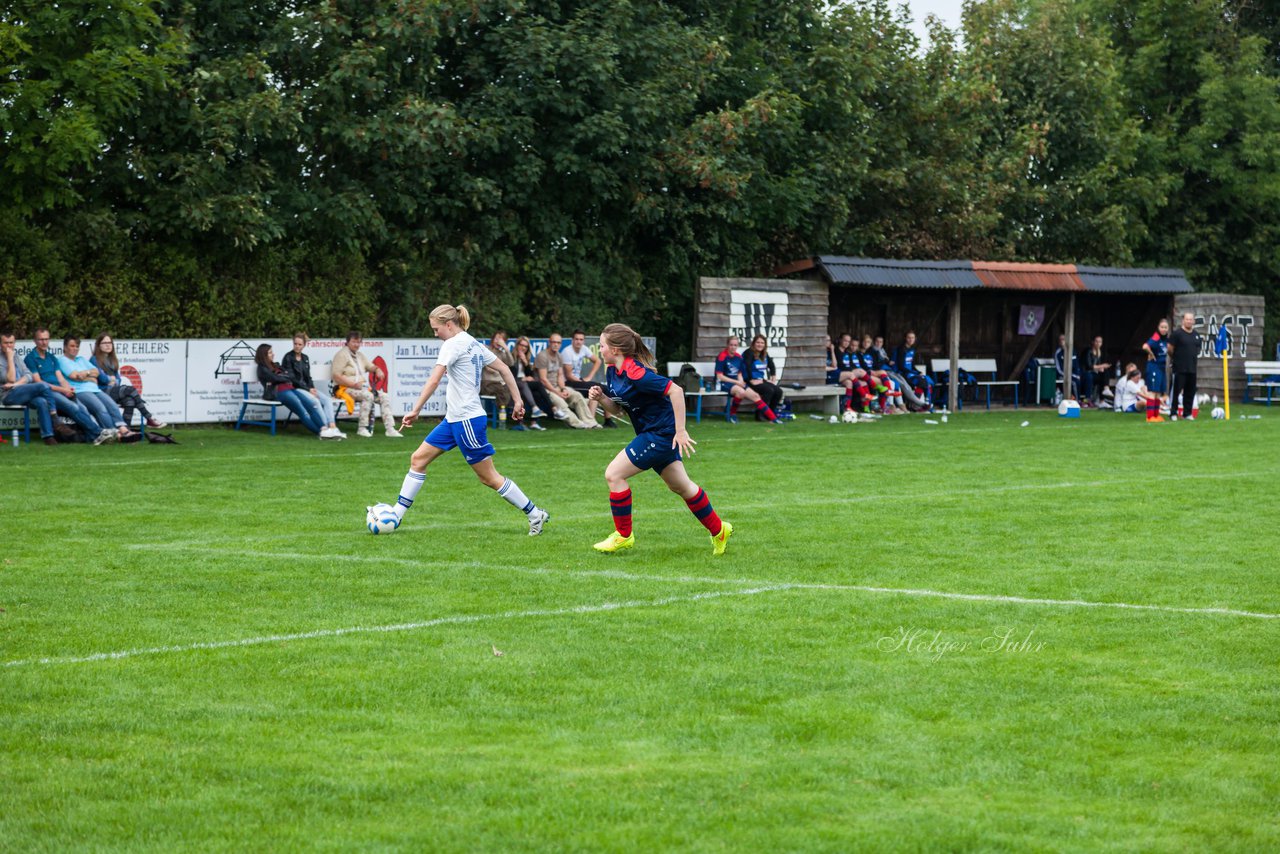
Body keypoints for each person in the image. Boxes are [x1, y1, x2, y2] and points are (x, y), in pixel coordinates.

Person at [390, 304, 549, 535]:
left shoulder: (452, 344)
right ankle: (396, 515)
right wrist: (518, 401)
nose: (435, 335)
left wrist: (415, 410)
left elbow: (434, 380)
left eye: (436, 330)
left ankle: (535, 514)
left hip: (467, 421)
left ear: (448, 324)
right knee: (418, 459)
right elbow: (504, 368)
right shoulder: (472, 342)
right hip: (454, 420)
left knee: (489, 478)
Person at [588, 322, 733, 555]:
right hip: (654, 435)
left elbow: (675, 390)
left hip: (660, 435)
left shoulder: (637, 373)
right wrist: (602, 397)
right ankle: (719, 530)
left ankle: (623, 536)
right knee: (682, 487)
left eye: (602, 345)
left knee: (614, 475)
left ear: (615, 349)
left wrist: (681, 430)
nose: (600, 349)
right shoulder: (613, 371)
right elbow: (618, 410)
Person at [22, 328, 110, 443]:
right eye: (41, 339)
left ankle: (91, 437)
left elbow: (61, 378)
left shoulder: (51, 357)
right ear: (35, 341)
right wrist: (63, 390)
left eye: (46, 339)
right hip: (46, 392)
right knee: (72, 407)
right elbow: (39, 383)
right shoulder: (30, 358)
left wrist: (68, 389)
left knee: (81, 407)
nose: (44, 342)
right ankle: (98, 433)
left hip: (60, 390)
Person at [57, 336, 135, 439]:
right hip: (81, 391)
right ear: (65, 347)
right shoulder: (62, 360)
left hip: (94, 389)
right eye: (72, 346)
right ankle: (114, 434)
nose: (75, 348)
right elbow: (74, 376)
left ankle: (123, 429)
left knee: (112, 406)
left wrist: (86, 374)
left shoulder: (81, 359)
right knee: (101, 409)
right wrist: (90, 377)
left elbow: (96, 372)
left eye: (77, 346)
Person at [331, 331, 401, 438]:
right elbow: (336, 376)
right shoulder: (341, 355)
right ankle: (362, 428)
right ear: (348, 342)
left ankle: (390, 429)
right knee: (368, 396)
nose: (356, 344)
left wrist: (377, 369)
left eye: (359, 342)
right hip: (344, 389)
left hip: (361, 388)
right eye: (354, 342)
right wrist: (353, 384)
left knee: (384, 396)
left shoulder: (359, 356)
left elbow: (370, 366)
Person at [90, 334, 167, 429]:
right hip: (102, 392)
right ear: (99, 345)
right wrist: (110, 379)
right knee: (131, 390)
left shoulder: (112, 359)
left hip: (113, 390)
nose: (108, 345)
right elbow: (102, 378)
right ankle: (149, 417)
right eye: (105, 343)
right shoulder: (94, 360)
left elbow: (118, 378)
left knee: (129, 401)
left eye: (110, 342)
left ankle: (126, 430)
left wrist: (112, 380)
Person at [254, 344, 329, 438]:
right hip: (280, 392)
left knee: (311, 405)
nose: (273, 354)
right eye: (270, 353)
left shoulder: (276, 365)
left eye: (272, 352)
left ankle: (324, 429)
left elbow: (289, 376)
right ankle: (320, 433)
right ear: (263, 355)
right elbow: (275, 378)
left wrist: (306, 388)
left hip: (291, 389)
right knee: (303, 412)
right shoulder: (262, 368)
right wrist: (284, 377)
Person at [1, 330, 59, 445]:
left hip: (21, 391)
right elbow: (10, 378)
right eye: (6, 343)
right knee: (43, 385)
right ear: (0, 344)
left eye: (11, 343)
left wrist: (15, 384)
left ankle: (48, 436)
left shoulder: (16, 356)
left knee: (41, 401)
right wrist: (9, 358)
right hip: (7, 396)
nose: (9, 346)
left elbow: (29, 376)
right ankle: (55, 417)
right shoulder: (8, 358)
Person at [281, 333, 345, 439]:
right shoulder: (288, 357)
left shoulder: (305, 358)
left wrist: (313, 388)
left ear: (304, 345)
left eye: (299, 344)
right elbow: (292, 379)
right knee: (315, 402)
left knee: (326, 400)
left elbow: (308, 377)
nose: (297, 346)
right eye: (295, 344)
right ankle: (326, 429)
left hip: (307, 388)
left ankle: (332, 427)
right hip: (294, 389)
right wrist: (308, 389)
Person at [535, 332, 596, 428]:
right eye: (554, 342)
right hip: (545, 389)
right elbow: (543, 380)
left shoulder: (559, 356)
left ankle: (591, 423)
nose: (556, 344)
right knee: (561, 402)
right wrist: (558, 393)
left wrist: (563, 389)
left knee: (577, 396)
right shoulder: (542, 356)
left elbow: (560, 375)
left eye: (558, 343)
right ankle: (578, 424)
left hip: (557, 387)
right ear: (549, 342)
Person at [715, 335, 777, 423]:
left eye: (735, 345)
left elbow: (740, 373)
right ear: (727, 345)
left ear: (737, 346)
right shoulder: (722, 356)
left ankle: (774, 418)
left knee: (756, 396)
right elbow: (719, 376)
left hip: (736, 382)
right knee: (741, 392)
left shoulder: (738, 357)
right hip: (723, 383)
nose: (733, 347)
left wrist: (740, 381)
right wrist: (737, 382)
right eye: (731, 345)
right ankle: (732, 414)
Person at [562, 330, 616, 428]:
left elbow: (598, 361)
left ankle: (607, 420)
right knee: (596, 389)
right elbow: (569, 375)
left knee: (603, 388)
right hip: (569, 383)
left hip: (579, 380)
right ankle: (593, 422)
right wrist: (582, 381)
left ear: (583, 341)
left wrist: (589, 377)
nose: (579, 341)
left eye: (581, 339)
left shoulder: (584, 349)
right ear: (572, 340)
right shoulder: (567, 352)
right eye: (576, 339)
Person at [510, 335, 553, 430]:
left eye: (525, 346)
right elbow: (511, 375)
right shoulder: (511, 357)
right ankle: (542, 408)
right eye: (521, 345)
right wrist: (523, 378)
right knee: (524, 387)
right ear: (517, 345)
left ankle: (534, 422)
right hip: (514, 384)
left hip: (524, 383)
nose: (523, 348)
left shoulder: (526, 358)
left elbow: (530, 375)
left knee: (537, 389)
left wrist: (525, 362)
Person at [1167, 312, 1201, 420]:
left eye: (1191, 319)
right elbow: (1170, 348)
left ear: (1194, 321)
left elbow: (1197, 350)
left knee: (1190, 392)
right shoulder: (1177, 334)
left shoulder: (1196, 335)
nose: (1189, 321)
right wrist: (1176, 359)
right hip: (1179, 368)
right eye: (1187, 319)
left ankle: (1187, 413)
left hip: (1192, 368)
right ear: (1183, 320)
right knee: (1176, 391)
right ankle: (1173, 413)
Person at [481, 329, 517, 426]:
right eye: (497, 339)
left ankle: (503, 411)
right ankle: (503, 412)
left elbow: (511, 363)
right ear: (492, 339)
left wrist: (506, 348)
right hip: (487, 382)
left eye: (502, 340)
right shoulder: (486, 349)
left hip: (500, 383)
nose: (498, 342)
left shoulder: (502, 354)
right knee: (503, 388)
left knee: (508, 387)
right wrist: (500, 371)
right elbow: (487, 367)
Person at [745, 334, 787, 419]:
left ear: (765, 345)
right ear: (753, 343)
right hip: (748, 381)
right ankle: (759, 415)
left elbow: (771, 365)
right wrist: (751, 380)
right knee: (769, 390)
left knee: (778, 391)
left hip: (760, 380)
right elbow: (747, 367)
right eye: (758, 342)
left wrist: (773, 378)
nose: (760, 344)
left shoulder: (764, 354)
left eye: (762, 343)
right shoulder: (749, 353)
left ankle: (769, 414)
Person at [891, 331, 934, 409]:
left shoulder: (912, 350)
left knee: (928, 380)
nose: (911, 339)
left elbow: (911, 365)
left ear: (915, 339)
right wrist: (914, 373)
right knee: (922, 381)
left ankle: (921, 403)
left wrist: (918, 372)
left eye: (912, 338)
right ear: (905, 338)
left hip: (910, 373)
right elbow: (901, 366)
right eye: (909, 338)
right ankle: (917, 404)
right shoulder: (901, 350)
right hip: (902, 373)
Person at [1080, 336, 1112, 407]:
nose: (1098, 343)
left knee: (1104, 373)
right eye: (1096, 341)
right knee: (1089, 377)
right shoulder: (1088, 351)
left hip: (1093, 374)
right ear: (1093, 342)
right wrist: (1101, 366)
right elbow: (1089, 366)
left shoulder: (1100, 352)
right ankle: (1086, 401)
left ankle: (1103, 396)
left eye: (1100, 342)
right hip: (1085, 374)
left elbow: (1097, 366)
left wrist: (1101, 368)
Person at [1142, 319, 1170, 396]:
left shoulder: (1166, 339)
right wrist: (1151, 353)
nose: (1163, 329)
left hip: (1162, 368)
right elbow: (1145, 346)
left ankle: (1156, 409)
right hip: (1154, 367)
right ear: (1158, 327)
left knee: (1158, 393)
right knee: (1152, 392)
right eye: (1162, 327)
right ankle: (1150, 408)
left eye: (1165, 327)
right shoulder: (1156, 337)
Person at [1054, 334, 1083, 400]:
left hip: (1074, 375)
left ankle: (1087, 399)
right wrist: (1071, 376)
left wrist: (1077, 375)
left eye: (1063, 339)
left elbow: (1077, 365)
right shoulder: (1058, 353)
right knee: (1075, 382)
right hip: (1063, 375)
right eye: (1060, 340)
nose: (1062, 341)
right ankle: (1077, 401)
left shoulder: (1073, 351)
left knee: (1087, 378)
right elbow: (1059, 370)